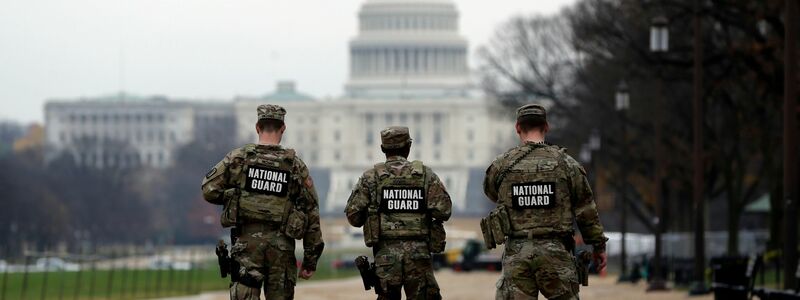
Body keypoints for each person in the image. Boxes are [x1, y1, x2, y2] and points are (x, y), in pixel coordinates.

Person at [483, 104, 608, 300]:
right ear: (546, 127)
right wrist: (598, 247)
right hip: (556, 251)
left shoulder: (502, 165)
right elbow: (586, 211)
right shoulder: (567, 164)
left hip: (518, 253)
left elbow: (492, 193)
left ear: (517, 128)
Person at [201, 104, 324, 300]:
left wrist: (236, 198)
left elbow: (208, 189)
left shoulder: (238, 159)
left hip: (246, 246)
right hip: (281, 249)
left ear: (257, 127)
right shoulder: (295, 166)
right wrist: (310, 260)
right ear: (283, 129)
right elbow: (311, 212)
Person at [345, 126, 452, 300]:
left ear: (382, 149)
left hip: (386, 258)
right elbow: (444, 211)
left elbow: (354, 217)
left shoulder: (370, 177)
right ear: (409, 147)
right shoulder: (426, 175)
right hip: (419, 256)